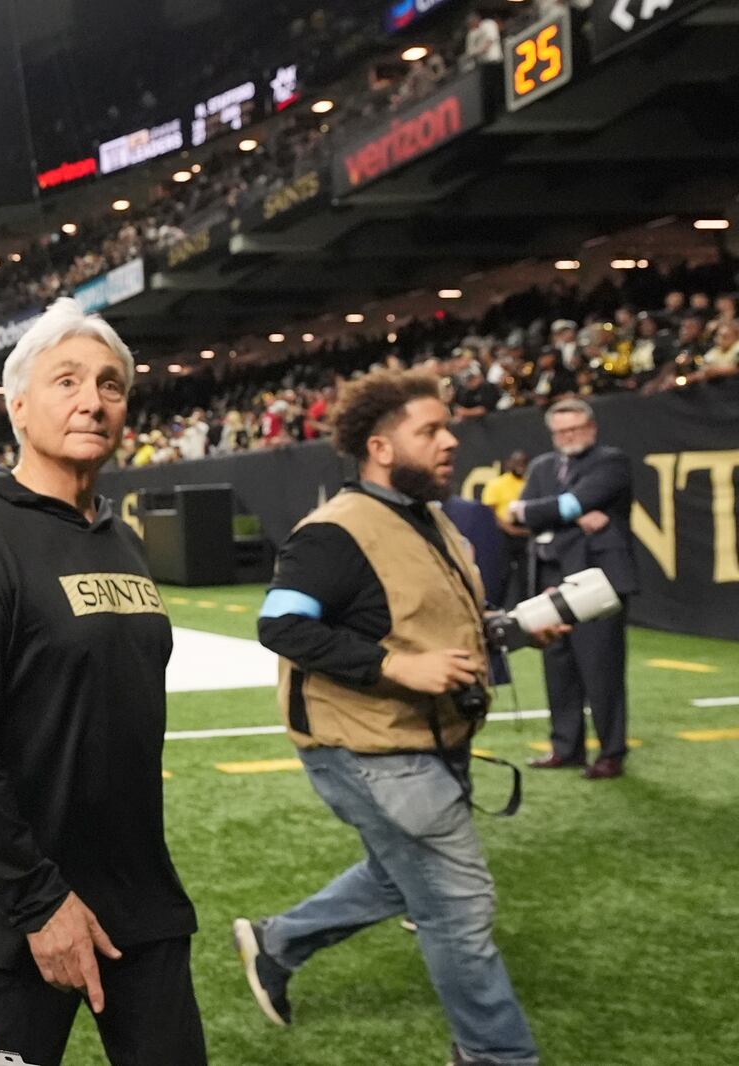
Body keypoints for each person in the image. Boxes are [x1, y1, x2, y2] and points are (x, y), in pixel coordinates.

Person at [0, 298, 207, 1066]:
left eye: (111, 384)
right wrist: (38, 899)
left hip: (135, 893)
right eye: (66, 380)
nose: (92, 400)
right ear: (17, 406)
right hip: (13, 910)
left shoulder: (120, 538)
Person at [238, 369, 550, 1066]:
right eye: (431, 430)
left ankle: (276, 942)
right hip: (372, 750)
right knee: (457, 908)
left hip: (426, 739)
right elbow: (279, 625)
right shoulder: (335, 532)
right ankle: (496, 1056)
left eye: (448, 428)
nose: (450, 440)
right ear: (380, 446)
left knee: (394, 877)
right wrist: (396, 667)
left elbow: (426, 621)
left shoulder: (426, 515)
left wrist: (514, 628)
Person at [509, 397, 637, 779]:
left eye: (576, 429)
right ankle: (567, 748)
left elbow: (565, 505)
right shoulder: (541, 466)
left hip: (597, 581)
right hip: (549, 575)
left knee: (602, 669)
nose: (569, 436)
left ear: (592, 428)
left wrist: (562, 510)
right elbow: (522, 513)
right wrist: (570, 513)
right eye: (561, 431)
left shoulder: (611, 461)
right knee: (558, 666)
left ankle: (611, 752)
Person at [481, 451, 529, 609]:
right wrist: (509, 529)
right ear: (509, 464)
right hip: (502, 535)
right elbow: (489, 512)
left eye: (523, 463)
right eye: (517, 463)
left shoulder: (529, 483)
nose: (520, 467)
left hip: (526, 535)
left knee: (527, 577)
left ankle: (526, 610)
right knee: (501, 575)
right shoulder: (497, 484)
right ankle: (494, 609)